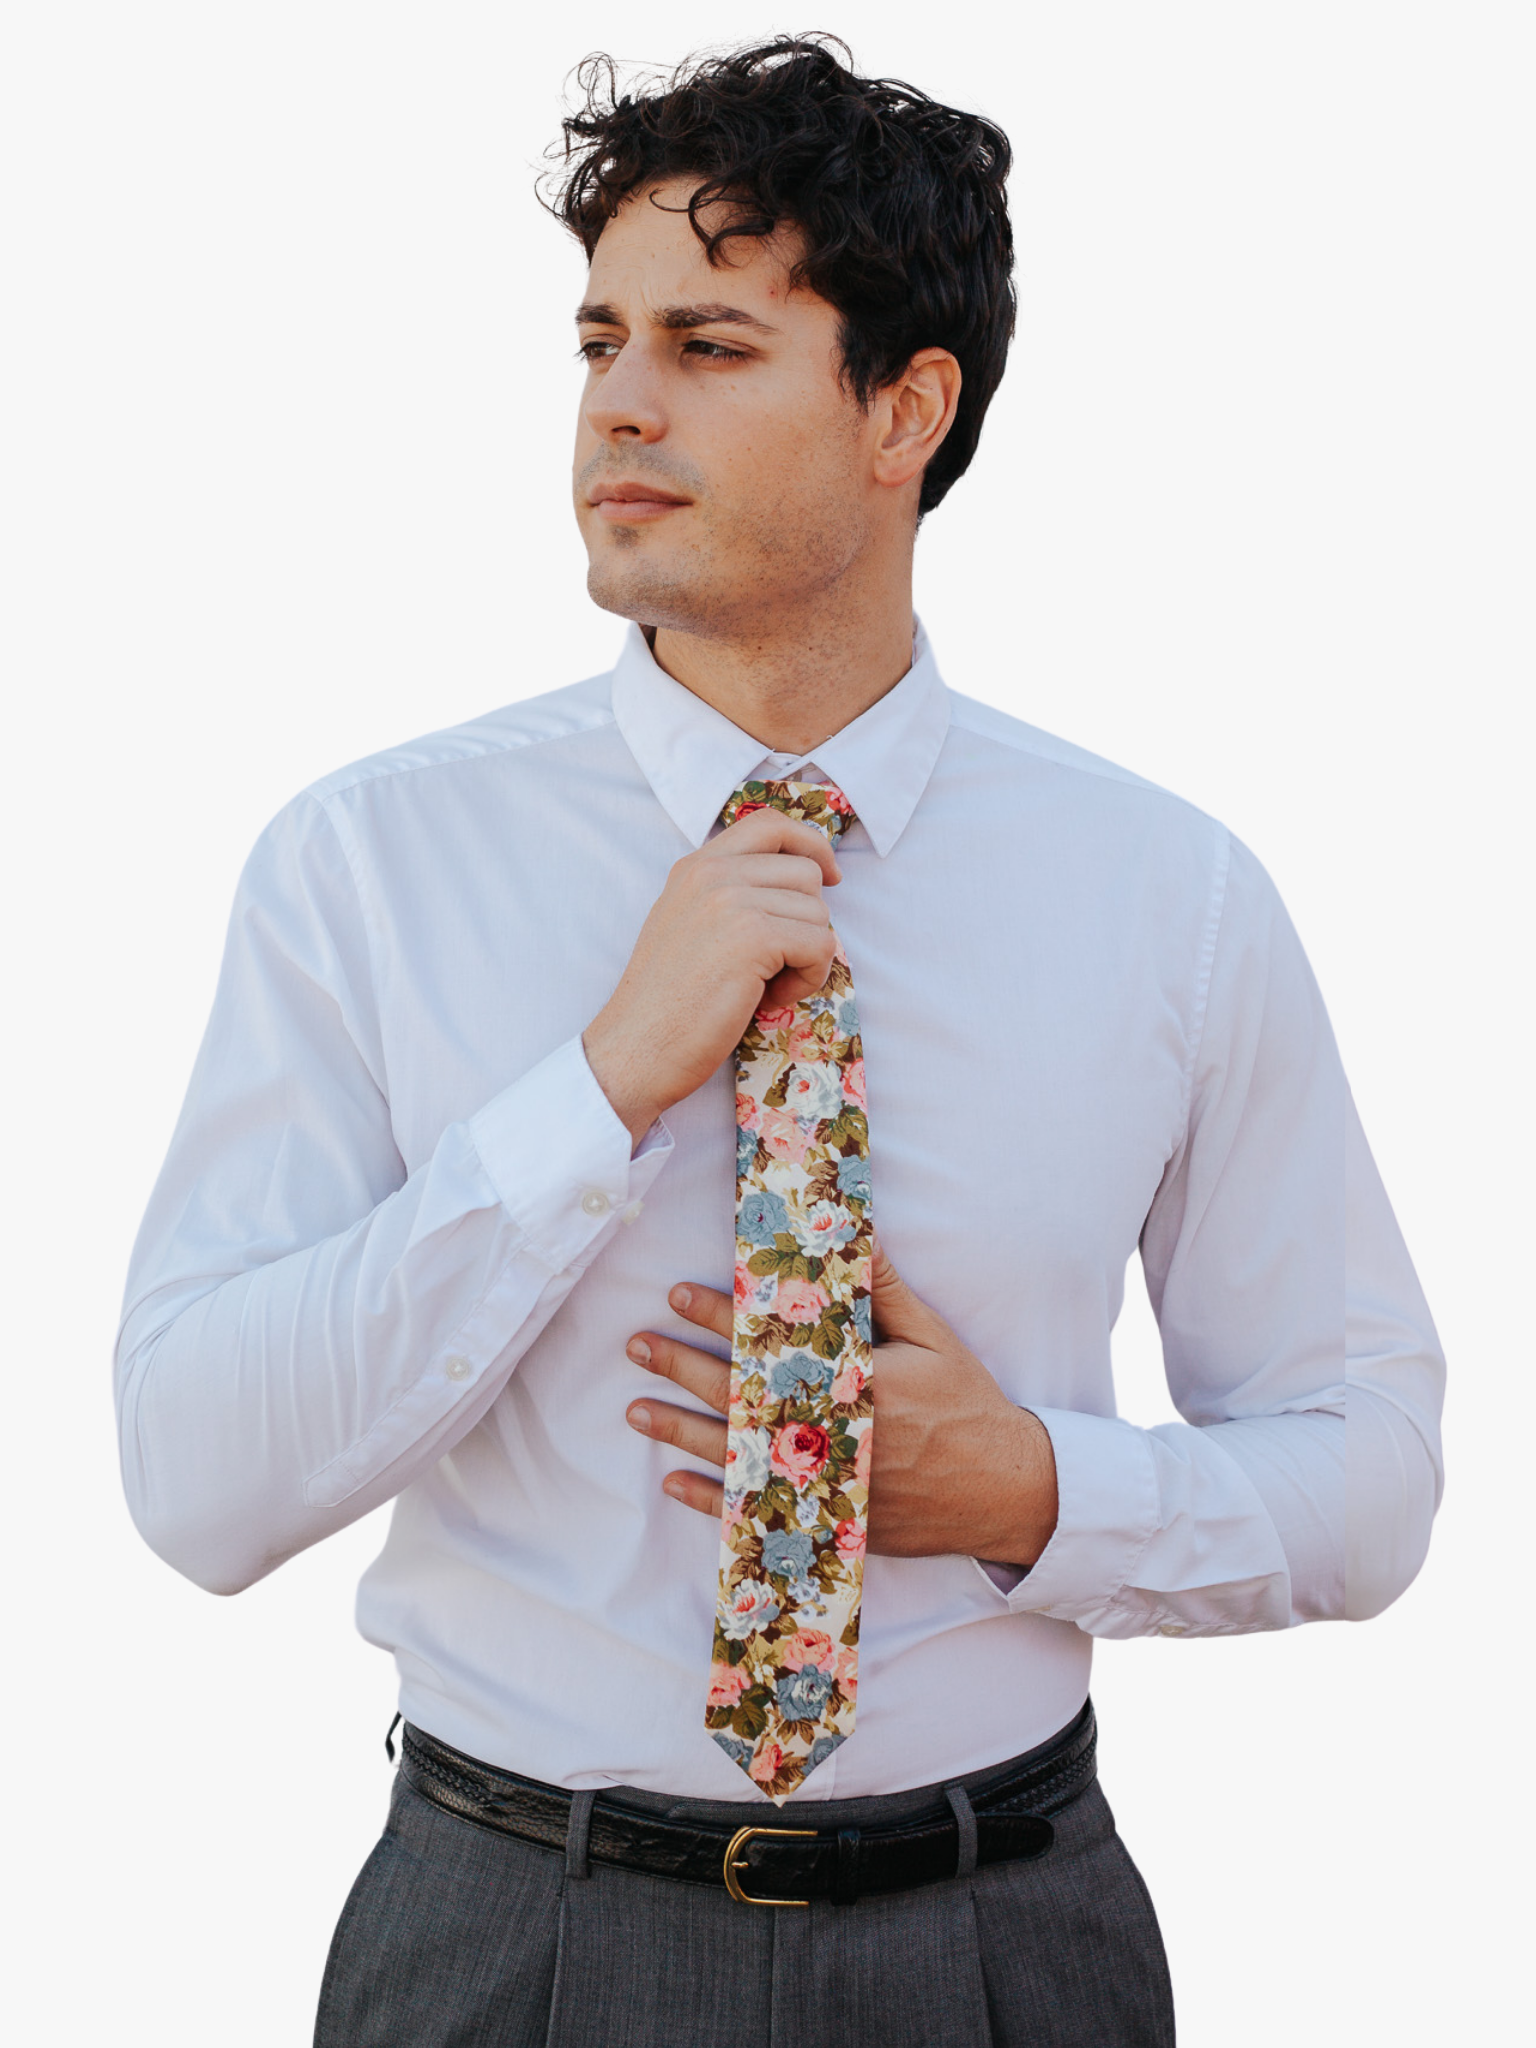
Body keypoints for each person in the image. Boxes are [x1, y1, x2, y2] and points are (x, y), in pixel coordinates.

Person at [115, 35, 1445, 2047]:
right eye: (599, 338)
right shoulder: (365, 863)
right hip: (513, 1941)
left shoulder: (1166, 895)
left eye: (712, 344)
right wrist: (595, 1090)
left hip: (1009, 1940)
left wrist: (1029, 1491)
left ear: (910, 408)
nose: (618, 403)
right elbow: (195, 1479)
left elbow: (1374, 1472)